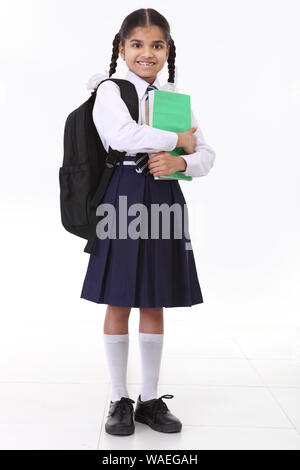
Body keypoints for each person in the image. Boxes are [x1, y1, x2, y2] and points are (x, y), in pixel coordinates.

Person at [81, 8, 216, 436]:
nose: (147, 53)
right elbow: (122, 136)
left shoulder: (175, 98)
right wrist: (177, 140)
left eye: (156, 45)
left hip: (163, 197)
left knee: (154, 299)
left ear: (167, 50)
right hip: (122, 196)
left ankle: (150, 398)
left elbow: (206, 156)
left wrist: (180, 160)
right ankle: (119, 397)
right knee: (119, 298)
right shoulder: (110, 91)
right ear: (122, 49)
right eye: (137, 44)